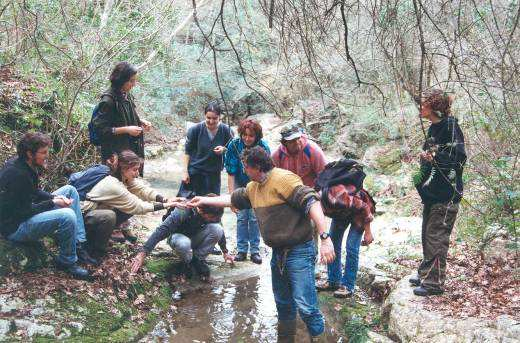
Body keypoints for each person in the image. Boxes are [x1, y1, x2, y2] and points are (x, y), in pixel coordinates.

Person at [188, 146, 335, 342]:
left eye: (245, 167)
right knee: (283, 303)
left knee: (305, 305)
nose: (243, 171)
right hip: (278, 253)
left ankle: (320, 338)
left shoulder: (284, 179)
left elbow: (312, 202)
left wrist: (325, 238)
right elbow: (231, 198)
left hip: (299, 249)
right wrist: (202, 200)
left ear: (257, 167)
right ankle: (286, 338)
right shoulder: (253, 188)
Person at [0, 132, 96, 279]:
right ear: (29, 153)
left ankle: (78, 244)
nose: (47, 155)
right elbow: (23, 212)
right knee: (67, 216)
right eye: (43, 152)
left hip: (24, 213)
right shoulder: (17, 174)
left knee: (70, 190)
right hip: (15, 227)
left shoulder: (25, 164)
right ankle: (67, 261)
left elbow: (32, 190)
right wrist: (53, 202)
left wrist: (53, 196)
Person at [410, 89, 466, 296]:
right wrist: (425, 157)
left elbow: (458, 158)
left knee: (436, 237)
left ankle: (434, 282)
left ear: (434, 107)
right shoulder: (434, 128)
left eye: (423, 104)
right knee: (427, 234)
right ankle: (426, 272)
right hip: (432, 194)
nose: (420, 107)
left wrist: (435, 157)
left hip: (446, 195)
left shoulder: (450, 127)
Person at [81, 150, 183, 248]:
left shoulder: (123, 177)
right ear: (123, 168)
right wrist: (166, 205)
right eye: (134, 170)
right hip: (85, 217)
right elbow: (138, 207)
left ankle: (107, 233)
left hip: (97, 211)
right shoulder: (113, 185)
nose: (137, 173)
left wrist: (165, 200)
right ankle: (96, 249)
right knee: (110, 215)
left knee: (131, 202)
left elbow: (143, 190)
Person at [130, 196, 234, 281]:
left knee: (217, 229)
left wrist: (225, 252)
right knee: (184, 243)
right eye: (211, 218)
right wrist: (143, 253)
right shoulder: (183, 209)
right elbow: (162, 230)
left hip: (194, 237)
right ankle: (189, 263)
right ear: (202, 212)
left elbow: (220, 231)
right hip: (177, 238)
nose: (214, 220)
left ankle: (197, 260)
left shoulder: (213, 214)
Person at [93, 61, 152, 175]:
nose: (133, 84)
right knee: (118, 186)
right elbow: (101, 130)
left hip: (130, 153)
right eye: (131, 81)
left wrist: (140, 122)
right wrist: (126, 130)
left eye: (134, 80)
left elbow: (126, 117)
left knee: (133, 184)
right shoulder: (108, 101)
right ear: (121, 80)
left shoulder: (126, 95)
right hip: (115, 155)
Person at [224, 119, 270, 264]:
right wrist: (232, 199)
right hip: (239, 182)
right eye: (245, 135)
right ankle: (242, 250)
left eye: (251, 136)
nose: (247, 138)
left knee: (254, 218)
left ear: (257, 136)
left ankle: (255, 250)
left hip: (257, 183)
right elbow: (230, 173)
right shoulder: (234, 145)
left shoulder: (263, 147)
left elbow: (268, 173)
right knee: (241, 217)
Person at [316, 187, 375, 298]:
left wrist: (368, 232)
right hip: (341, 212)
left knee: (351, 247)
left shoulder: (336, 197)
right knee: (332, 243)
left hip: (360, 213)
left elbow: (365, 208)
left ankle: (348, 285)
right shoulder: (316, 201)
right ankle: (333, 281)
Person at [181, 100, 233, 196]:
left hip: (214, 174)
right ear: (204, 115)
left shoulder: (226, 130)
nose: (211, 121)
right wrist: (185, 172)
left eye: (215, 118)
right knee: (186, 205)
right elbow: (187, 152)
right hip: (195, 172)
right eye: (208, 118)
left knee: (211, 207)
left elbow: (232, 150)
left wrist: (224, 150)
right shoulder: (195, 130)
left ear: (220, 117)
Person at [271, 124, 326, 188]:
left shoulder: (313, 150)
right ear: (284, 143)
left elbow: (324, 174)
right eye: (292, 141)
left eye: (297, 138)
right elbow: (273, 178)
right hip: (288, 190)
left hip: (311, 189)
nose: (297, 142)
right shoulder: (277, 156)